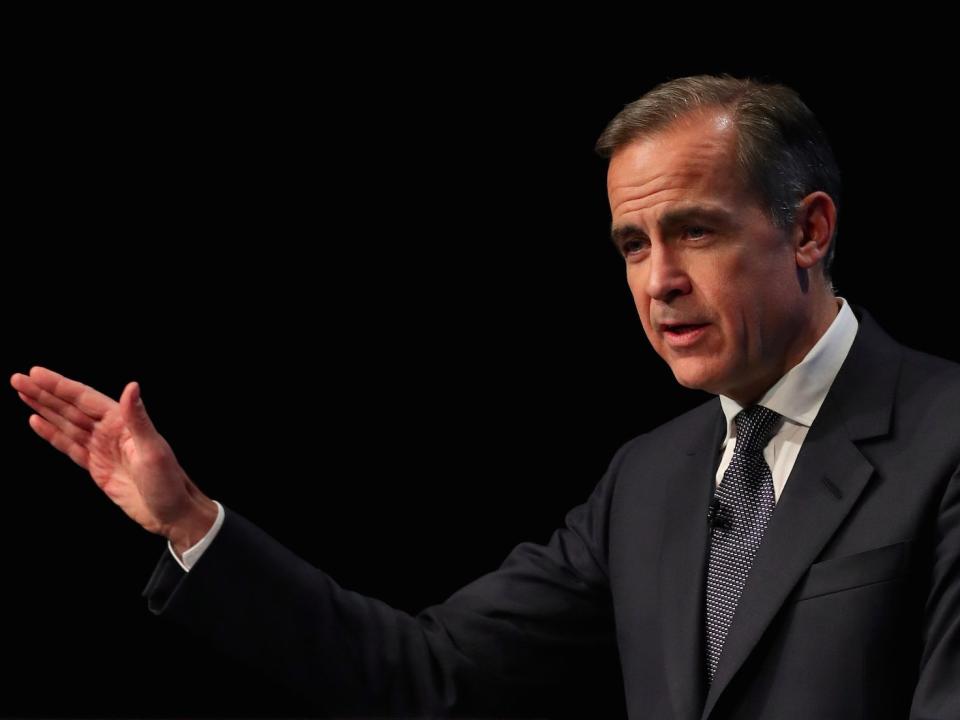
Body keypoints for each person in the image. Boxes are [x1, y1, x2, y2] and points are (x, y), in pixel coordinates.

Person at [10, 75, 959, 719]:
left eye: (696, 232)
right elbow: (430, 675)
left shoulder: (944, 436)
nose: (657, 280)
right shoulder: (650, 480)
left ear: (808, 231)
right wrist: (191, 522)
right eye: (632, 246)